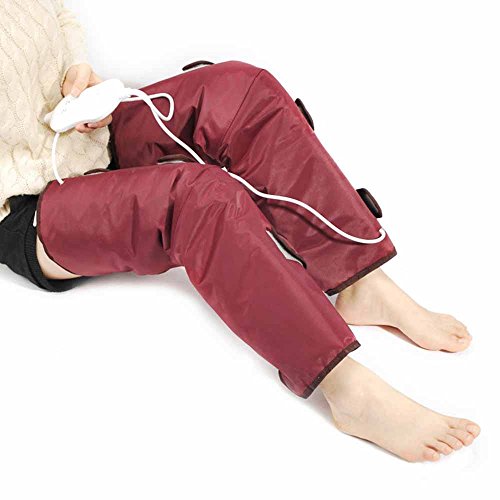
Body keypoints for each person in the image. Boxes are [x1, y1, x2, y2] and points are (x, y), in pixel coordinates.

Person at [0, 0, 480, 462]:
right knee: (199, 199)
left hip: (82, 134)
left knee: (242, 91)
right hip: (27, 203)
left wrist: (78, 73)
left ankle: (361, 281)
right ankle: (347, 390)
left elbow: (56, 14)